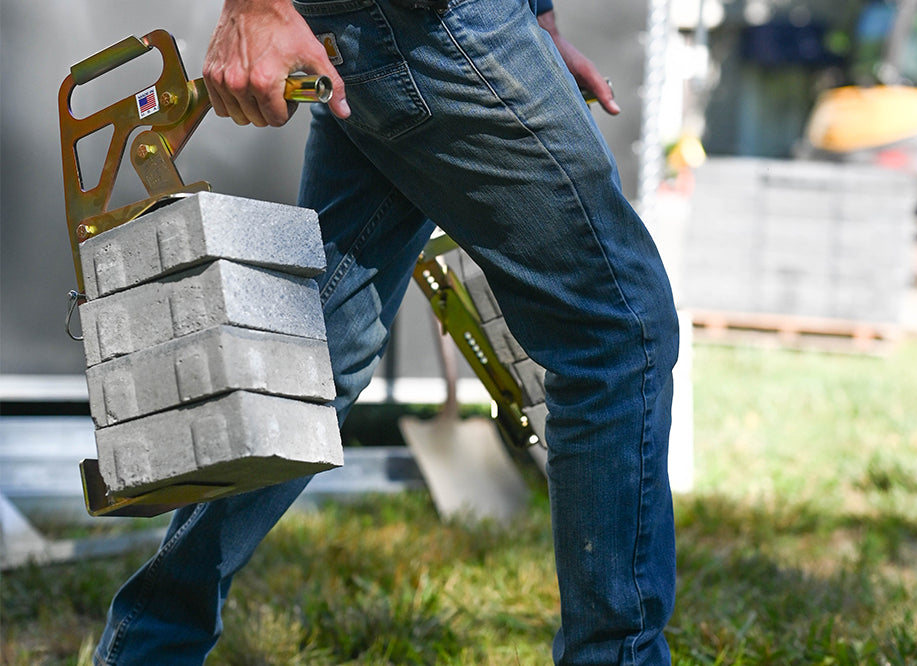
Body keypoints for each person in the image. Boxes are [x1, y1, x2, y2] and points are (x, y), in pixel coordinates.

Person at [94, 0, 680, 663]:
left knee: (311, 361)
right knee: (620, 333)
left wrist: (536, 21)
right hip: (433, 23)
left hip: (403, 29)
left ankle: (146, 648)